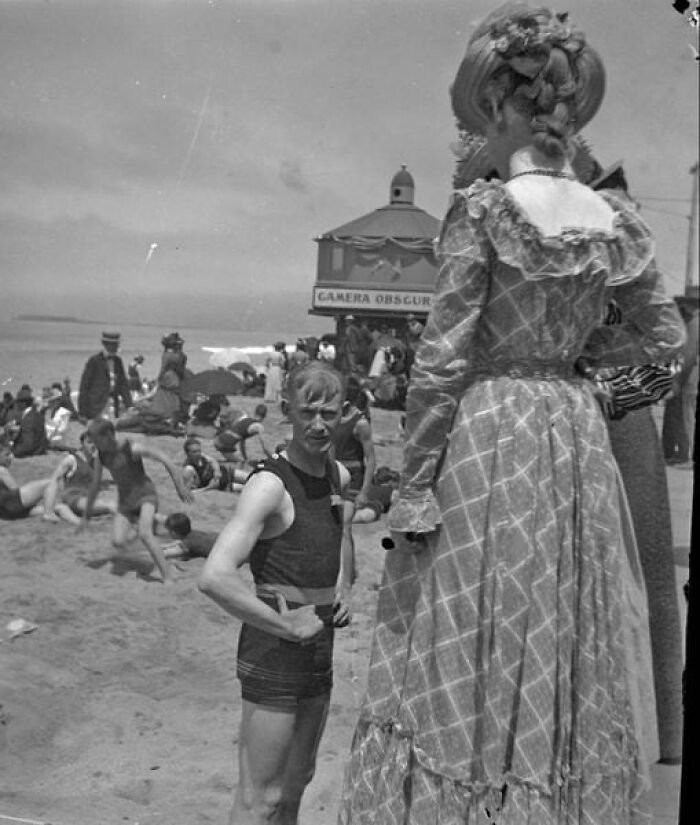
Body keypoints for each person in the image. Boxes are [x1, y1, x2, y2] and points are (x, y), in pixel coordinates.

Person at [338, 5, 686, 823]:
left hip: (491, 430)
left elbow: (442, 361)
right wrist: (592, 388)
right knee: (560, 631)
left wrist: (415, 485)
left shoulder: (486, 212)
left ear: (497, 110)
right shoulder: (616, 220)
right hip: (571, 440)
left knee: (472, 631)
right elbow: (666, 347)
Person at [198, 361, 355, 825]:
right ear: (287, 410)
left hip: (318, 647)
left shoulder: (337, 477)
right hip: (273, 649)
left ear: (344, 412)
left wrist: (343, 585)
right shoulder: (268, 485)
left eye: (329, 412)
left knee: (295, 786)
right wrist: (285, 624)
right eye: (308, 412)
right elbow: (215, 577)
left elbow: (338, 539)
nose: (319, 424)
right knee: (259, 799)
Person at [80, 418, 194, 583]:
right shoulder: (101, 457)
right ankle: (162, 557)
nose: (95, 444)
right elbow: (95, 485)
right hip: (126, 501)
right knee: (118, 542)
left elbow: (164, 458)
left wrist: (180, 486)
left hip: (146, 495)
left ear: (110, 435)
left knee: (145, 533)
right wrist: (86, 515)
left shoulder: (131, 448)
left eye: (97, 440)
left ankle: (168, 576)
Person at [43, 430, 117, 524]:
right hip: (73, 498)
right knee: (109, 505)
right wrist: (50, 505)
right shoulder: (71, 460)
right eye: (89, 442)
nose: (93, 445)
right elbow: (54, 479)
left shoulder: (95, 462)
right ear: (82, 444)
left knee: (113, 502)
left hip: (87, 496)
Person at [331, 377, 376, 511]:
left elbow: (371, 459)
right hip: (333, 474)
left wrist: (364, 492)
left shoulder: (360, 423)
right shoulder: (334, 417)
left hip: (352, 476)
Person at [0, 437, 63, 521]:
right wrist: (32, 496)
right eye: (7, 455)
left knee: (58, 508)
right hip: (12, 505)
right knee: (50, 483)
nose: (11, 457)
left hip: (6, 513)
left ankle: (81, 524)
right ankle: (49, 514)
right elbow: (15, 490)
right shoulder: (1, 470)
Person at [78, 331, 133, 420]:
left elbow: (123, 385)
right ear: (105, 344)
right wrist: (82, 412)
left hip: (113, 405)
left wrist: (130, 405)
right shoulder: (94, 361)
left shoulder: (118, 361)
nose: (116, 347)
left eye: (116, 344)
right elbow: (84, 386)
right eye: (113, 344)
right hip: (96, 407)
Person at [182, 436, 249, 492]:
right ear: (187, 453)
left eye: (199, 450)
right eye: (194, 452)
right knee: (247, 489)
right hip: (222, 485)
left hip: (226, 472)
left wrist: (217, 471)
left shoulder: (201, 456)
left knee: (251, 478)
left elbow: (213, 461)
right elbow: (189, 492)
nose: (198, 453)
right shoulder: (189, 469)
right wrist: (209, 488)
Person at [7, 386, 48, 458]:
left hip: (35, 450)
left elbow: (27, 444)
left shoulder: (28, 419)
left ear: (23, 403)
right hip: (41, 447)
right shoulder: (35, 413)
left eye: (18, 402)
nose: (16, 404)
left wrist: (13, 453)